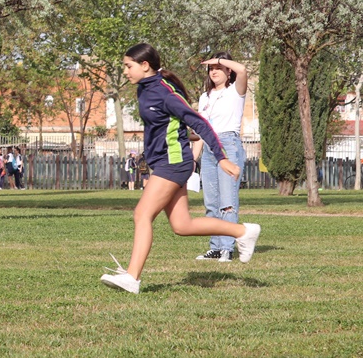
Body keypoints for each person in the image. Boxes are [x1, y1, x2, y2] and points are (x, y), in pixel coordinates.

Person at [101, 43, 261, 295]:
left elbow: (200, 122)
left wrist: (221, 158)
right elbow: (170, 127)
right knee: (182, 225)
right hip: (164, 161)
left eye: (128, 66)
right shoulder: (144, 89)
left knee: (142, 215)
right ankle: (243, 231)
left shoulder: (165, 93)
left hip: (173, 163)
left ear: (145, 65)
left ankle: (132, 277)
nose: (125, 71)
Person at [194, 52, 248, 262]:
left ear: (228, 71)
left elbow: (243, 70)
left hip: (228, 145)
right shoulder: (204, 97)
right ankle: (215, 247)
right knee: (211, 202)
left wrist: (218, 60)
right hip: (209, 147)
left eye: (218, 67)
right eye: (211, 68)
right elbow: (201, 130)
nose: (214, 71)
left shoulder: (236, 91)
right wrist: (193, 158)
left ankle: (227, 247)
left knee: (227, 202)